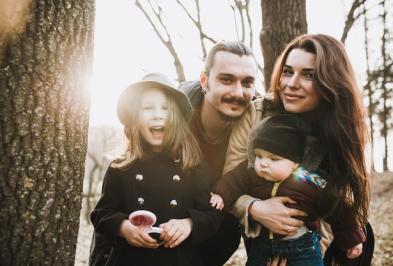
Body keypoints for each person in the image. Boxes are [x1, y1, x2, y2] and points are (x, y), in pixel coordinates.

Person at [224, 34, 372, 265]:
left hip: (308, 243)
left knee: (362, 235)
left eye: (309, 75)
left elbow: (334, 203)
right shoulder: (257, 113)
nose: (291, 83)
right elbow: (231, 176)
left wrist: (300, 255)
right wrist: (254, 208)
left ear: (329, 82)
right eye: (287, 71)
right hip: (260, 238)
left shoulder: (340, 129)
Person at [90, 73, 223, 266]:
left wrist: (189, 224)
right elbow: (102, 213)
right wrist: (124, 227)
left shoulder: (192, 165)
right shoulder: (122, 166)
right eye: (148, 108)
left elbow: (212, 215)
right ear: (134, 118)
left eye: (165, 108)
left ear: (176, 118)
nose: (157, 114)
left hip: (179, 260)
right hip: (131, 259)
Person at [213, 113, 365, 265]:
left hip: (302, 246)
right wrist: (221, 194)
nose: (263, 163)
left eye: (274, 159)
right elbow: (232, 180)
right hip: (262, 244)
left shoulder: (309, 179)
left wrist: (352, 239)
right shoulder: (252, 173)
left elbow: (337, 206)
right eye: (259, 156)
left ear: (295, 163)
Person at [179, 41, 259, 265]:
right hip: (173, 216)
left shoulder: (261, 120)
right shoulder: (173, 114)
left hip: (221, 225)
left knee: (225, 234)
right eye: (226, 79)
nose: (238, 92)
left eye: (247, 82)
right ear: (204, 81)